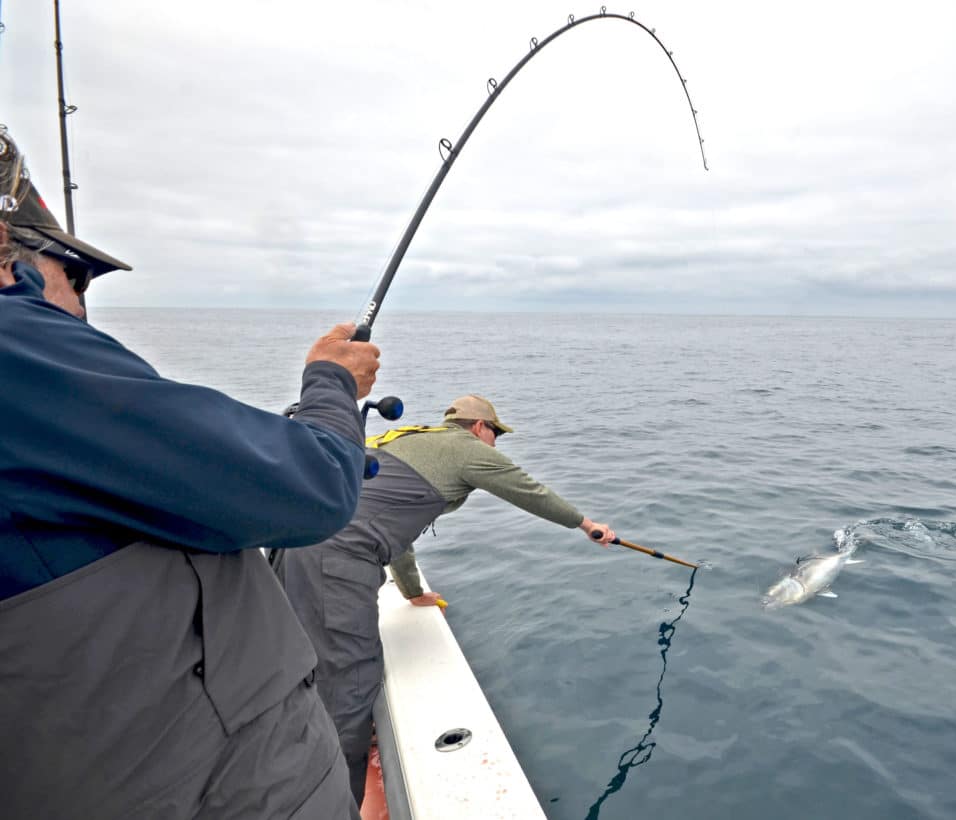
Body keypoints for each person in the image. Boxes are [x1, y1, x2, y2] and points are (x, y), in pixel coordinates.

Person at [0, 124, 381, 819]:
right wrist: (331, 384)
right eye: (70, 273)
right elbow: (316, 487)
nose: (82, 303)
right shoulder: (19, 360)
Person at [275, 393, 617, 806]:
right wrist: (586, 525)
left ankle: (287, 756)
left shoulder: (407, 441)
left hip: (292, 541)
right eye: (495, 434)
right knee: (352, 679)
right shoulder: (467, 449)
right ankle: (332, 806)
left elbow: (391, 526)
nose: (495, 444)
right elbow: (530, 491)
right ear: (479, 427)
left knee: (301, 657)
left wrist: (413, 591)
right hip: (336, 559)